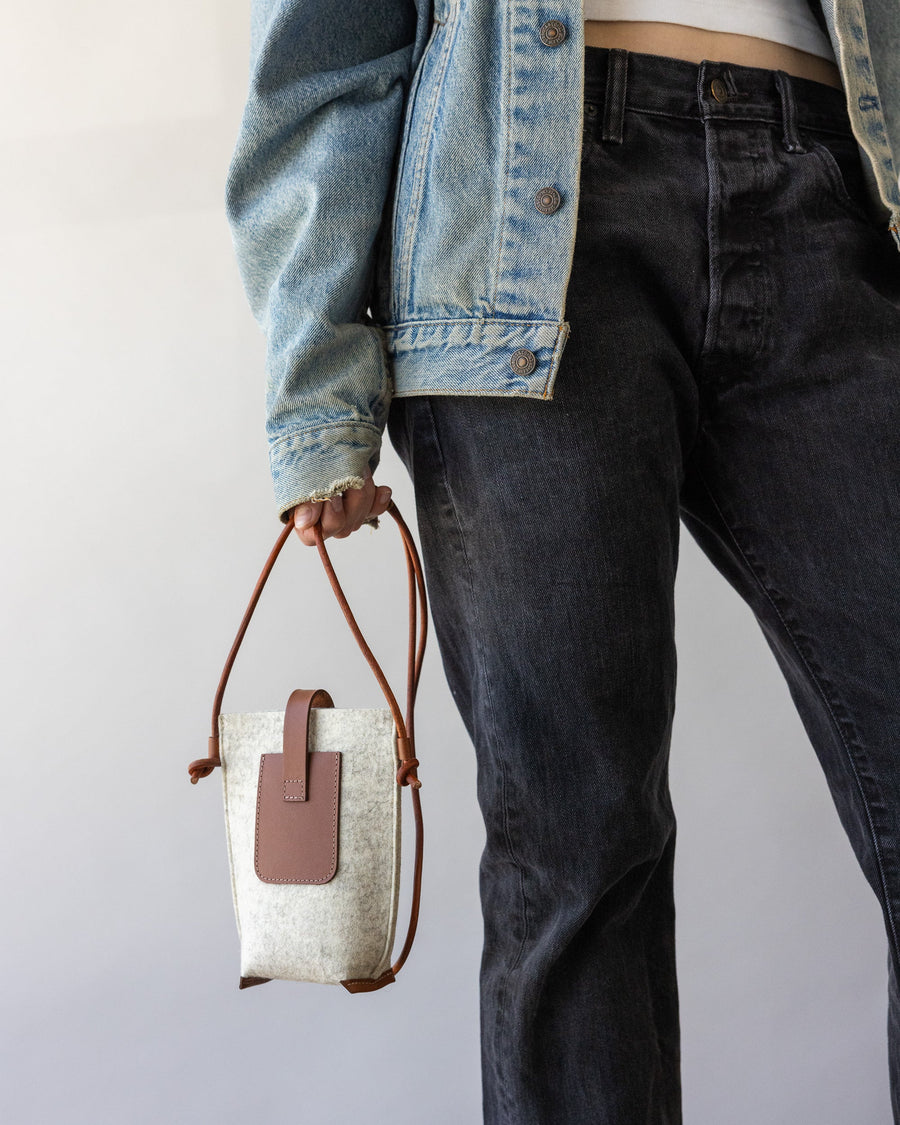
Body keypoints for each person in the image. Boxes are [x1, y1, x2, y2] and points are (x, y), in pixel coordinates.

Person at [224, 2, 900, 1120]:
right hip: (519, 233)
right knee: (576, 845)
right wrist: (317, 391)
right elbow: (323, 57)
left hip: (839, 183)